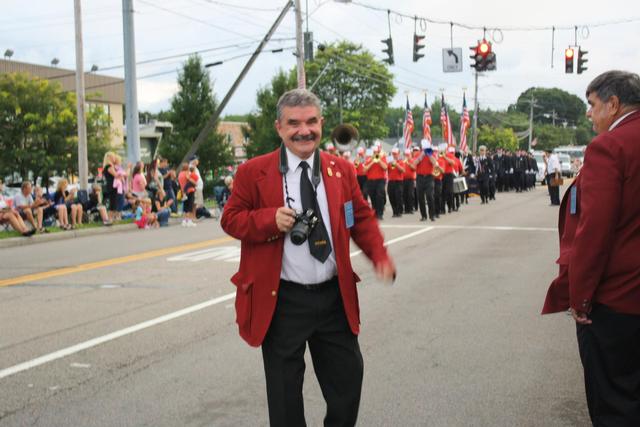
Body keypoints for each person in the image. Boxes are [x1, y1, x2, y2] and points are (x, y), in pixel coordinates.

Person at [221, 89, 396, 427]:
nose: (304, 130)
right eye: (294, 123)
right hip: (282, 300)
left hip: (333, 296)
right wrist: (268, 220)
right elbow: (231, 219)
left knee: (348, 382)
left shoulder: (340, 170)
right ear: (279, 127)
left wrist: (379, 255)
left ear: (321, 123)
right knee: (285, 397)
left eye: (311, 122)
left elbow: (359, 218)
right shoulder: (253, 173)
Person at [542, 70, 640, 426]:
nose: (588, 113)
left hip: (618, 300)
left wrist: (579, 298)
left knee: (615, 403)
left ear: (613, 105)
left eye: (592, 104)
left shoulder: (609, 147)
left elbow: (594, 232)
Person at [363, 144, 388, 220]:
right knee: (372, 197)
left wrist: (379, 160)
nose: (375, 153)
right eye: (374, 152)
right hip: (370, 180)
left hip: (380, 180)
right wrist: (372, 162)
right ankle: (375, 212)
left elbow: (385, 167)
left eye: (376, 152)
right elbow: (364, 170)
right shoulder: (368, 159)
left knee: (379, 196)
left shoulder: (382, 157)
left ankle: (380, 214)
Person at [386, 147, 405, 217]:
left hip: (398, 181)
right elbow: (385, 169)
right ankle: (394, 211)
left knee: (398, 197)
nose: (394, 155)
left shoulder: (401, 161)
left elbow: (403, 170)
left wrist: (396, 164)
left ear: (398, 154)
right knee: (391, 196)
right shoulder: (389, 162)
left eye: (395, 154)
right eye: (393, 154)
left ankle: (399, 211)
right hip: (391, 181)